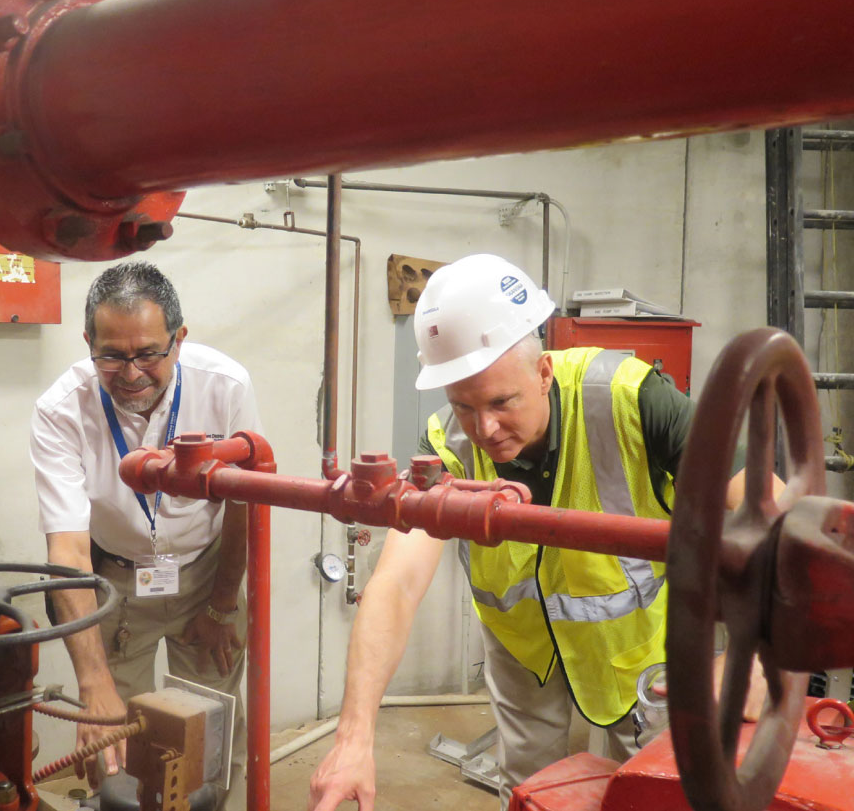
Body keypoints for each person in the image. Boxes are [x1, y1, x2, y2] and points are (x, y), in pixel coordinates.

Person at [308, 254, 753, 811]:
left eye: (501, 402)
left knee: (655, 791)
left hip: (639, 653)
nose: (485, 429)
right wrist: (355, 738)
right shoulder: (448, 447)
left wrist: (752, 664)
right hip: (524, 651)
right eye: (463, 406)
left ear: (543, 372)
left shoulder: (630, 399)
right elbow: (395, 585)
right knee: (530, 794)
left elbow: (773, 516)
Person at [30, 262, 260, 808]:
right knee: (115, 745)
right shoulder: (61, 410)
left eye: (149, 353)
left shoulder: (225, 386)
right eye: (111, 355)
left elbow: (243, 507)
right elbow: (67, 549)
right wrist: (92, 683)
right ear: (88, 341)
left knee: (211, 729)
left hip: (207, 574)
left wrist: (224, 604)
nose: (131, 373)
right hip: (111, 583)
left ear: (179, 339)